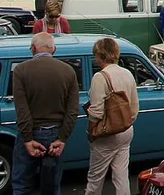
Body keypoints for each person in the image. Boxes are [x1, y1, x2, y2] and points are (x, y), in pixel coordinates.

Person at [12, 32, 79, 194]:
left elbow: (22, 109)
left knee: (22, 185)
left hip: (30, 132)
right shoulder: (68, 71)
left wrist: (28, 139)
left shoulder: (20, 70)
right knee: (51, 187)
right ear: (53, 50)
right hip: (55, 134)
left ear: (33, 49)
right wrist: (62, 138)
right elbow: (72, 110)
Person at [83, 37, 139, 195]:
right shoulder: (127, 73)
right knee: (121, 175)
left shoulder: (100, 77)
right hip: (126, 130)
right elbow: (134, 108)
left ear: (100, 55)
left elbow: (96, 112)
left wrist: (91, 131)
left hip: (106, 133)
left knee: (95, 177)